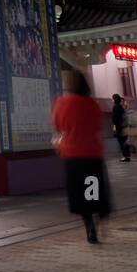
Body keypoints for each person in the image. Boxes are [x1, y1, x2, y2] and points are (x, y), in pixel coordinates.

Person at [52, 70, 112, 244]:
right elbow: (98, 126)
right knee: (92, 192)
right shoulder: (92, 105)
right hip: (92, 155)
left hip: (72, 156)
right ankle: (98, 216)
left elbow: (57, 126)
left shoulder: (62, 103)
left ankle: (89, 227)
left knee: (79, 194)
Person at [111, 93, 131, 161]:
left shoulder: (115, 107)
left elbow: (114, 120)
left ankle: (125, 156)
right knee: (125, 141)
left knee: (121, 142)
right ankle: (128, 156)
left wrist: (114, 129)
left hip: (119, 127)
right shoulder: (121, 107)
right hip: (124, 126)